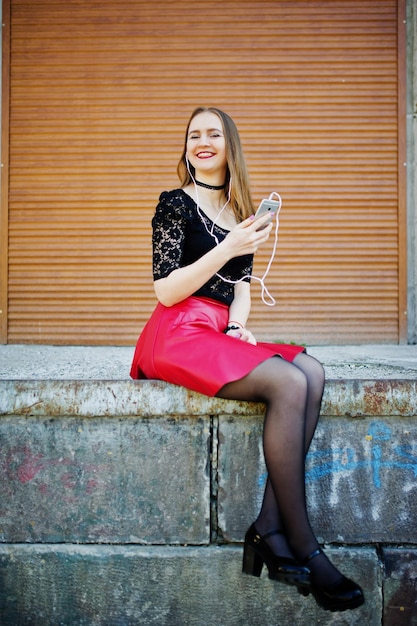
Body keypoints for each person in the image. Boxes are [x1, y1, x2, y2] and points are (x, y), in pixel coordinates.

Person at [130, 106, 364, 613]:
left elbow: (239, 287)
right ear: (187, 148)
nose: (203, 141)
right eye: (194, 135)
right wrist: (229, 245)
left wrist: (237, 324)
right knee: (287, 383)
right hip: (176, 330)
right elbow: (167, 290)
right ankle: (303, 545)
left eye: (214, 133)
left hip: (216, 327)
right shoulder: (173, 205)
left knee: (312, 371)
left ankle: (267, 529)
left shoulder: (245, 212)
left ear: (229, 144)